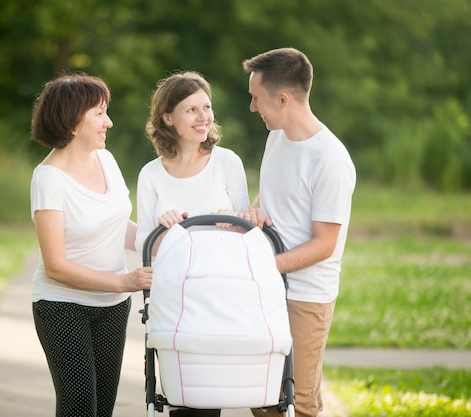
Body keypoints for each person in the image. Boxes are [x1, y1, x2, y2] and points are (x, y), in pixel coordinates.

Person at [239, 48, 356, 417]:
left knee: (297, 403)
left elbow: (325, 244)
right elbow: (273, 197)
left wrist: (267, 266)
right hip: (268, 286)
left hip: (306, 296)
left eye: (256, 98)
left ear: (283, 98)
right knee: (261, 397)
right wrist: (253, 212)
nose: (253, 108)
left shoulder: (330, 160)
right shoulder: (277, 138)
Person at [29, 73, 152, 417]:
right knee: (80, 408)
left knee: (103, 410)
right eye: (99, 113)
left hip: (112, 307)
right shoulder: (48, 179)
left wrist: (162, 239)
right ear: (72, 121)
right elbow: (56, 266)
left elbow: (116, 226)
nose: (108, 122)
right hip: (63, 307)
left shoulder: (106, 160)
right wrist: (124, 282)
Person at [135, 71, 251, 417]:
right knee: (181, 396)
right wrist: (161, 228)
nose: (204, 118)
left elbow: (249, 234)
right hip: (174, 298)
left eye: (207, 107)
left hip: (220, 294)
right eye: (192, 110)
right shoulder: (150, 174)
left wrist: (231, 221)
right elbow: (143, 242)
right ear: (167, 117)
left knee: (208, 395)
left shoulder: (228, 163)